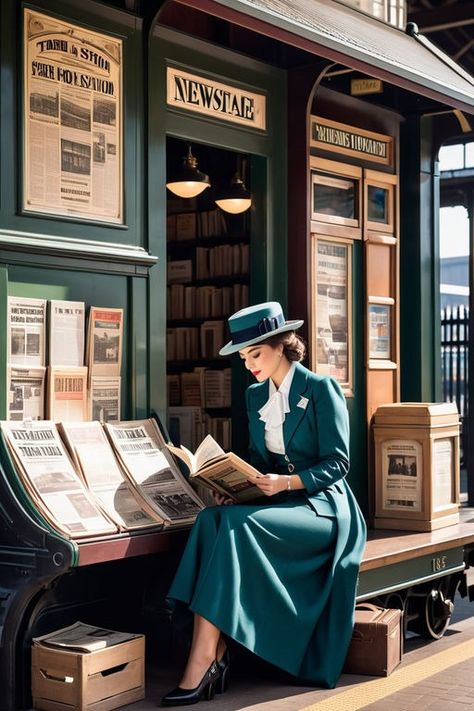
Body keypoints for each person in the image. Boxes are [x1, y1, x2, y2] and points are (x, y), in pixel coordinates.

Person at [161, 302, 366, 707]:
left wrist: (286, 482)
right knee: (212, 519)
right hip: (282, 502)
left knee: (237, 528)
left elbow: (339, 464)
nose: (248, 364)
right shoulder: (256, 396)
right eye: (243, 357)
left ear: (281, 345)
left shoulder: (321, 389)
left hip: (324, 508)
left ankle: (205, 656)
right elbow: (260, 462)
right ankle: (211, 649)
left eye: (255, 353)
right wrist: (234, 485)